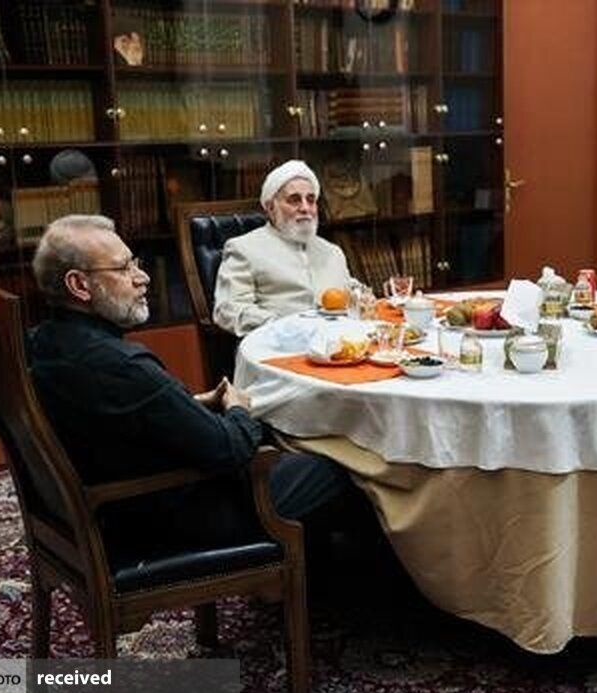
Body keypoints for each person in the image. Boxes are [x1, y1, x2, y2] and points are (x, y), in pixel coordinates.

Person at [28, 214, 361, 555]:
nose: (143, 278)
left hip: (117, 506)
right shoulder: (122, 366)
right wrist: (238, 409)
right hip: (175, 519)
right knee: (344, 469)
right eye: (124, 268)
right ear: (79, 285)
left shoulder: (42, 341)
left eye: (135, 263)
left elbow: (116, 420)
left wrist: (192, 404)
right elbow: (231, 449)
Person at [213, 159, 352, 337]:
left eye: (311, 200)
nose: (305, 208)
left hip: (338, 343)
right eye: (294, 200)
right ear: (271, 207)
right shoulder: (243, 248)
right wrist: (279, 325)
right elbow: (227, 309)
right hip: (278, 343)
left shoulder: (332, 252)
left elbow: (352, 292)